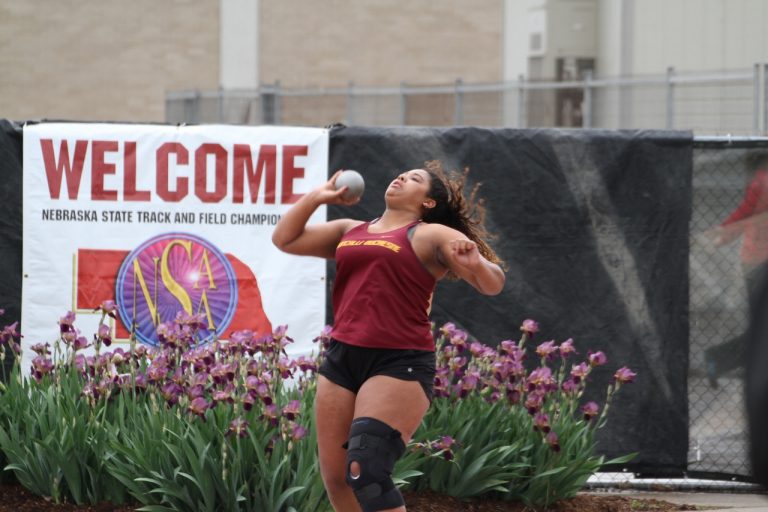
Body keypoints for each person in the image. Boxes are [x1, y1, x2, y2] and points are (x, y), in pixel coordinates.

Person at [272, 161, 505, 512]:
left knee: (365, 469)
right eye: (402, 173)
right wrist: (317, 197)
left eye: (415, 179)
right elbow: (285, 239)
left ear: (427, 203)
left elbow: (493, 284)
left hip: (399, 361)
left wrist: (475, 263)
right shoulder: (350, 230)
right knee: (337, 478)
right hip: (342, 359)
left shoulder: (430, 234)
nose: (401, 177)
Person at [705, 150, 768, 388]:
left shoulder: (760, 179)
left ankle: (718, 359)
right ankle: (717, 359)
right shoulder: (762, 180)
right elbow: (746, 212)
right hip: (758, 262)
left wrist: (725, 234)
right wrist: (725, 233)